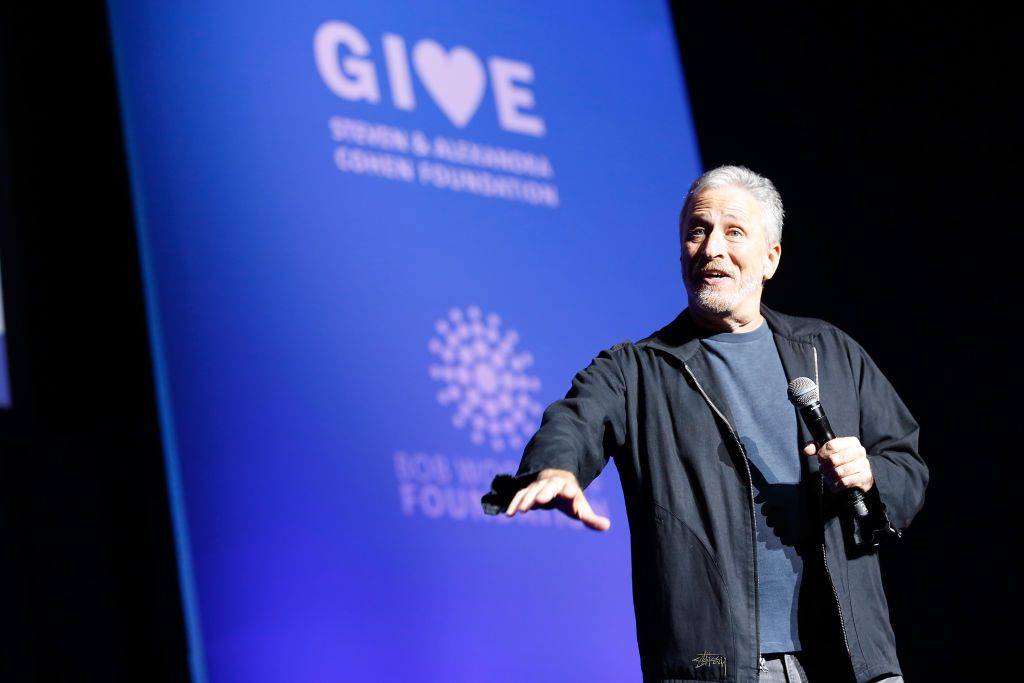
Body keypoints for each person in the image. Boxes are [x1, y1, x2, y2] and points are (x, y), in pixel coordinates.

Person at [481, 165, 927, 683]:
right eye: (698, 230)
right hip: (720, 667)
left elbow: (905, 461)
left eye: (734, 232)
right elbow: (576, 419)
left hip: (852, 660)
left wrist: (870, 475)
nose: (712, 246)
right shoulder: (638, 369)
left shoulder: (829, 353)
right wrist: (555, 469)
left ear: (770, 259)